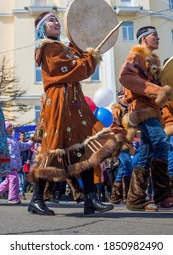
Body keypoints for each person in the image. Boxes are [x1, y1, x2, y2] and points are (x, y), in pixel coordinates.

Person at [28, 12, 125, 215]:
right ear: (41, 29)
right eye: (50, 21)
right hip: (59, 102)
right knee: (51, 149)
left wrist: (87, 50)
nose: (56, 22)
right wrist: (90, 59)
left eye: (56, 19)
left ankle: (90, 199)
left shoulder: (61, 47)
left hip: (73, 102)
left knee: (84, 146)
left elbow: (79, 56)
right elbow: (72, 68)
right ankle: (36, 200)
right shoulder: (48, 48)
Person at [119, 25, 173, 211]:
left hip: (152, 110)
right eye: (154, 35)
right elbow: (125, 77)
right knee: (161, 142)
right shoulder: (136, 56)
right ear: (144, 39)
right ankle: (163, 195)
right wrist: (158, 90)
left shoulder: (153, 60)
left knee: (146, 152)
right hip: (142, 109)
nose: (158, 38)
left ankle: (135, 199)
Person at [0, 120, 33, 204]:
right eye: (9, 127)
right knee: (14, 178)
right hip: (7, 163)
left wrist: (32, 142)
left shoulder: (14, 139)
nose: (11, 128)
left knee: (8, 181)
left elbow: (23, 146)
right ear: (5, 129)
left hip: (14, 164)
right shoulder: (3, 139)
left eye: (11, 127)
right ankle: (13, 198)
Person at [18, 132, 32, 199]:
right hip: (18, 163)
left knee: (26, 178)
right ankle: (21, 193)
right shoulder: (17, 143)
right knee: (19, 179)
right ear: (20, 136)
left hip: (25, 163)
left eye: (24, 136)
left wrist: (28, 160)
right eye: (21, 135)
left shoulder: (26, 144)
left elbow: (30, 152)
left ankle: (22, 192)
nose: (23, 137)